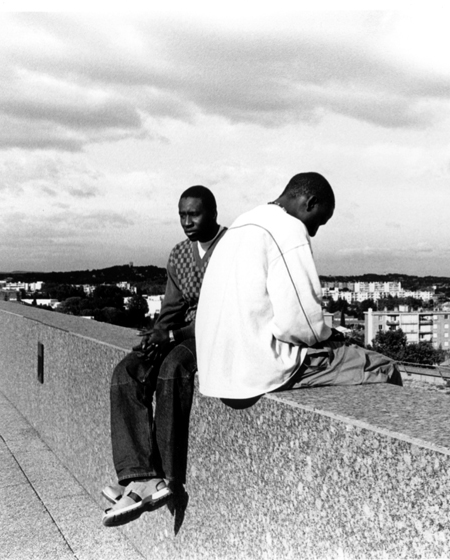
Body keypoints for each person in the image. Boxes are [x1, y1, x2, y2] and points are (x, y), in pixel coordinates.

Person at [195, 172, 400, 408]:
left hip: (216, 373)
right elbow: (300, 326)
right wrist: (327, 335)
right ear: (310, 202)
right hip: (258, 372)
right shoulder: (288, 228)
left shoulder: (241, 224)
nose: (313, 232)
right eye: (318, 221)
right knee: (384, 367)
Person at [102, 185, 227, 527]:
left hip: (215, 332)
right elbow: (172, 306)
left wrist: (173, 337)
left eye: (194, 214)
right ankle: (139, 474)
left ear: (214, 213)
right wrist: (157, 335)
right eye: (182, 215)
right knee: (127, 371)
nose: (187, 221)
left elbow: (224, 312)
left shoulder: (231, 248)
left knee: (173, 369)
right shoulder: (179, 253)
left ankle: (168, 478)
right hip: (178, 329)